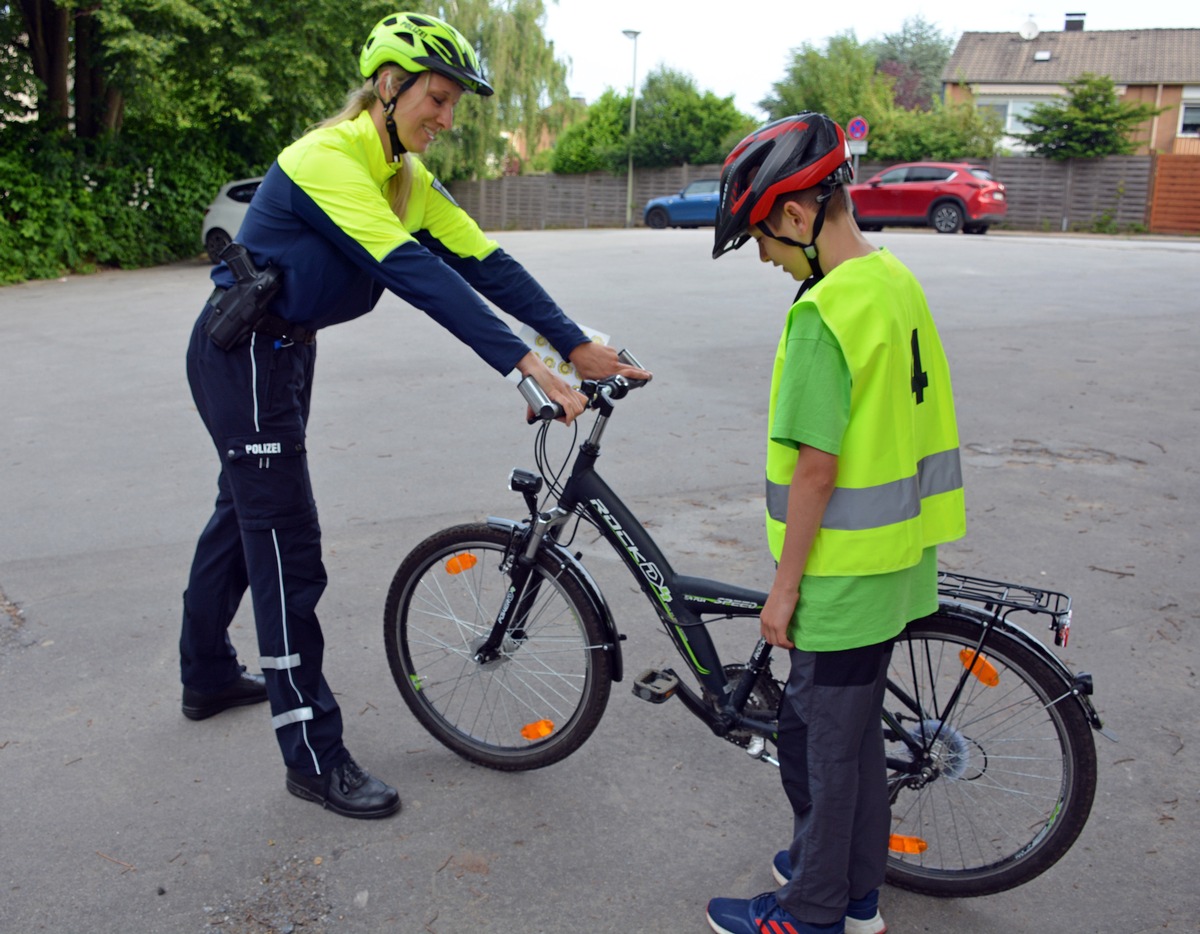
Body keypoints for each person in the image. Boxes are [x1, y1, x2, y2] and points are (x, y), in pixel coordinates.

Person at [178, 11, 649, 821]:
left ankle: (205, 672)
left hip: (285, 352)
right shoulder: (326, 158)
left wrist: (575, 344)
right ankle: (313, 753)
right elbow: (413, 275)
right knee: (285, 544)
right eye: (437, 97)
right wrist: (524, 364)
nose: (448, 116)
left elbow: (483, 263)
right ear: (389, 87)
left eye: (456, 103)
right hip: (245, 353)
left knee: (244, 509)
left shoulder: (404, 179)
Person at [705, 114, 966, 933]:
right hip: (896, 565)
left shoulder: (822, 314)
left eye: (760, 238)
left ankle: (812, 913)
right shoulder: (892, 281)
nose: (762, 257)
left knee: (822, 751)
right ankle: (852, 891)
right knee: (844, 744)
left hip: (841, 579)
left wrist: (781, 594)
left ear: (795, 215)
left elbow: (816, 468)